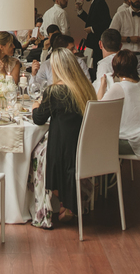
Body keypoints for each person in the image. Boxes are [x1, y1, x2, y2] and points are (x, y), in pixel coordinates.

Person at [30, 49, 98, 228]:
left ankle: (50, 204)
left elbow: (38, 119)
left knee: (36, 151)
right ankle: (66, 203)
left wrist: (35, 106)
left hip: (63, 153)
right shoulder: (86, 88)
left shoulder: (55, 91)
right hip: (85, 148)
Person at [101, 50, 140, 156]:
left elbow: (97, 109)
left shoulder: (120, 87)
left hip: (130, 143)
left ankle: (109, 171)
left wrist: (102, 86)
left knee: (94, 141)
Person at [75, 0, 111, 68]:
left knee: (96, 64)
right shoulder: (96, 2)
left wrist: (92, 29)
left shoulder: (99, 3)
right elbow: (92, 20)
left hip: (96, 41)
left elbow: (106, 22)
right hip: (95, 42)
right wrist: (80, 10)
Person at [94, 29, 124, 97]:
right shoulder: (127, 61)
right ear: (120, 46)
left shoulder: (104, 65)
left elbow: (99, 93)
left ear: (100, 44)